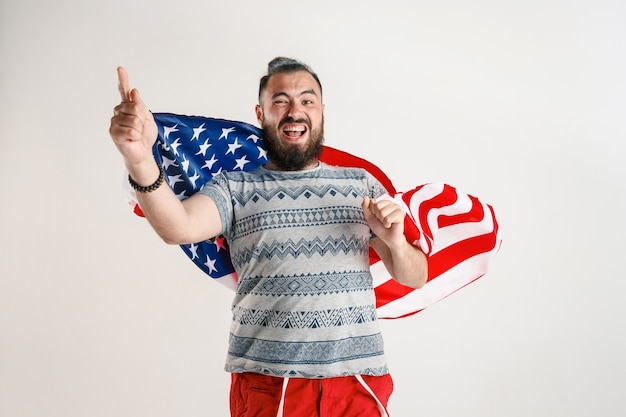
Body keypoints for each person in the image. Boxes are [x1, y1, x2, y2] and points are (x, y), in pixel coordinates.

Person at [109, 57, 428, 417]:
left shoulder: (361, 185)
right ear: (260, 113)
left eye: (307, 101)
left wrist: (397, 241)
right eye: (280, 101)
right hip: (271, 387)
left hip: (358, 386)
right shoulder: (234, 187)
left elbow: (414, 276)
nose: (295, 111)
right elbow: (177, 227)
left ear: (322, 111)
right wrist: (139, 159)